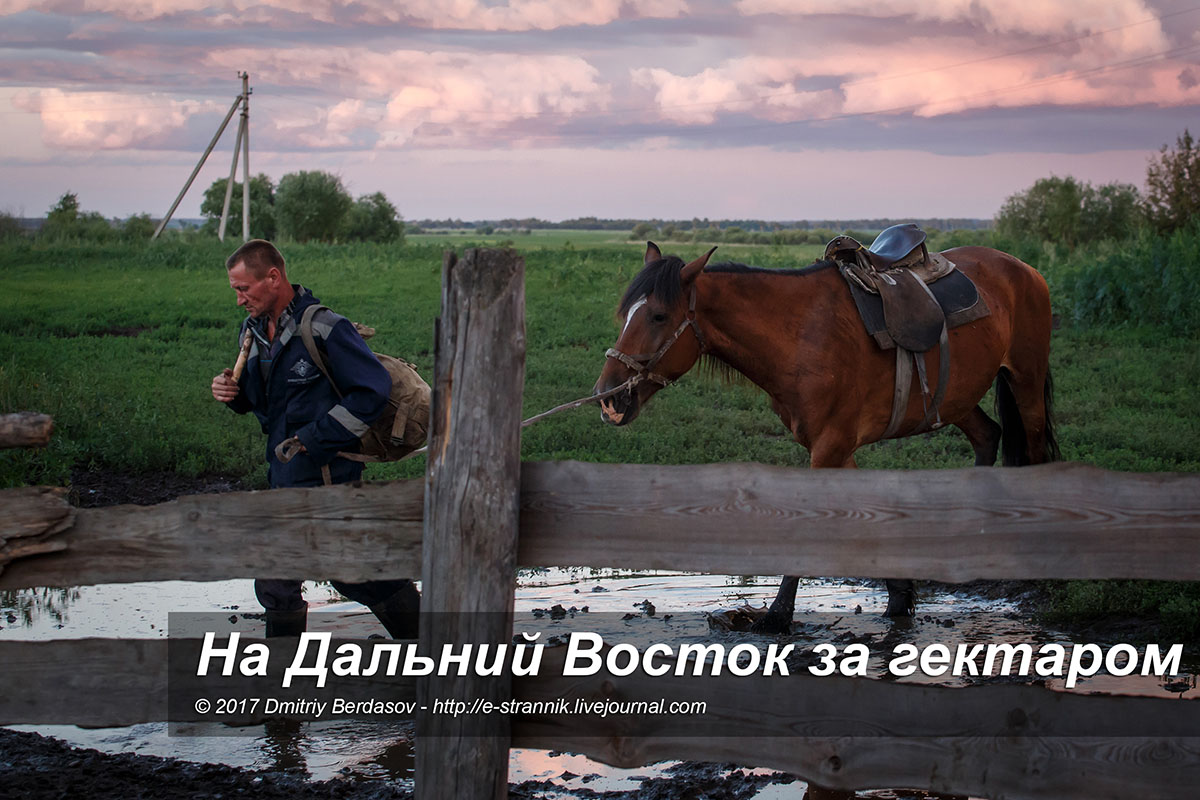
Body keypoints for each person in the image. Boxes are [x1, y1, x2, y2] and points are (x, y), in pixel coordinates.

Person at [210, 239, 419, 639]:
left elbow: (371, 392)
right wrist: (232, 395)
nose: (238, 300)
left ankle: (435, 645)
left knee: (353, 575)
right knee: (277, 580)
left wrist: (314, 438)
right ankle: (281, 681)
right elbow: (263, 403)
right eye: (235, 290)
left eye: (243, 289)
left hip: (329, 475)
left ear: (273, 277)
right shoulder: (253, 331)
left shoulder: (325, 327)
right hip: (283, 475)